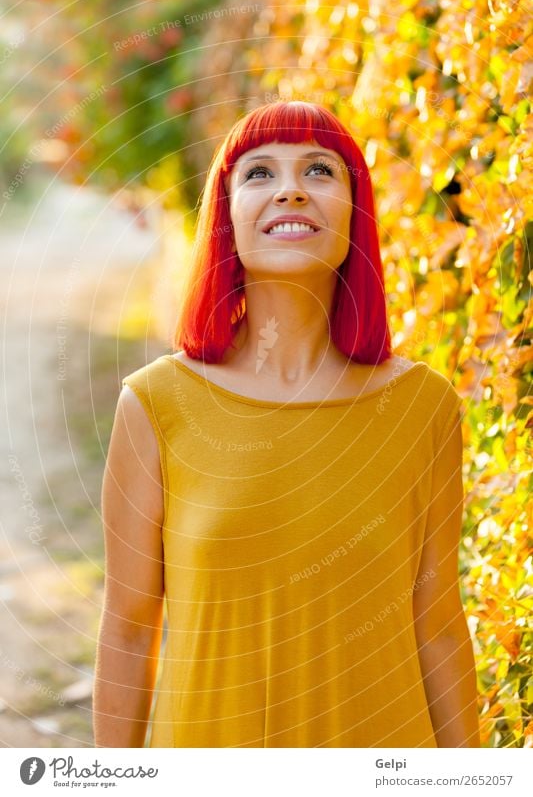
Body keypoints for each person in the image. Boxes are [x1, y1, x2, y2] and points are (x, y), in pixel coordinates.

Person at [93, 100, 481, 748]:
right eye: (259, 173)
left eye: (319, 170)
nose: (290, 188)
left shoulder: (424, 407)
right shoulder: (157, 404)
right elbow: (129, 629)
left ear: (355, 214)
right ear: (226, 217)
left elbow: (437, 625)